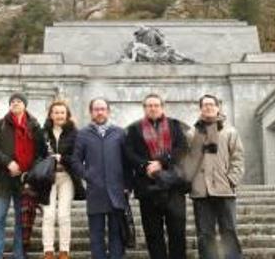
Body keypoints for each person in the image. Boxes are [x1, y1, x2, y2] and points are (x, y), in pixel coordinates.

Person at [124, 93, 189, 259]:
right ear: (144, 108)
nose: (153, 108)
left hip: (173, 186)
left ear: (162, 107)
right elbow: (129, 153)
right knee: (153, 234)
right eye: (149, 105)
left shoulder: (175, 126)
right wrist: (146, 165)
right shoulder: (134, 129)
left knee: (177, 233)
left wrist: (161, 162)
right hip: (148, 187)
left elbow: (182, 149)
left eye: (156, 105)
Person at [182, 94, 245, 259]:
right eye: (204, 105)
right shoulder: (191, 133)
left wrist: (231, 180)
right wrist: (190, 182)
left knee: (229, 231)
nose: (208, 107)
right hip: (201, 192)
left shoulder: (229, 131)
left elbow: (237, 158)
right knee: (205, 234)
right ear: (200, 109)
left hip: (224, 190)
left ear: (218, 108)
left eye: (211, 104)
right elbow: (188, 161)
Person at [0, 92, 47, 259]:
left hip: (25, 181)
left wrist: (29, 170)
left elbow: (40, 153)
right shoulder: (0, 124)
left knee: (22, 221)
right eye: (13, 101)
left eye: (19, 101)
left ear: (25, 105)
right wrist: (8, 163)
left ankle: (19, 255)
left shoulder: (34, 126)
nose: (15, 103)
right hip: (3, 179)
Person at [71, 98, 129, 259]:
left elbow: (127, 162)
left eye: (103, 109)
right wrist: (87, 175)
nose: (100, 112)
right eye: (96, 109)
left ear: (108, 111)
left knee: (116, 235)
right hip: (95, 191)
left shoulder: (120, 133)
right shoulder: (83, 134)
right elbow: (75, 161)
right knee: (96, 236)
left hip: (116, 192)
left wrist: (127, 185)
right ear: (91, 112)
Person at [40, 100, 86, 259]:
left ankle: (64, 251)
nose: (59, 115)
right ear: (51, 115)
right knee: (48, 214)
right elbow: (36, 155)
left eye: (62, 112)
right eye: (56, 112)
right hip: (47, 178)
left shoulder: (75, 133)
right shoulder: (43, 132)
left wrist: (62, 158)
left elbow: (78, 156)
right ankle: (48, 251)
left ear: (67, 115)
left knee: (64, 215)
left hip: (67, 177)